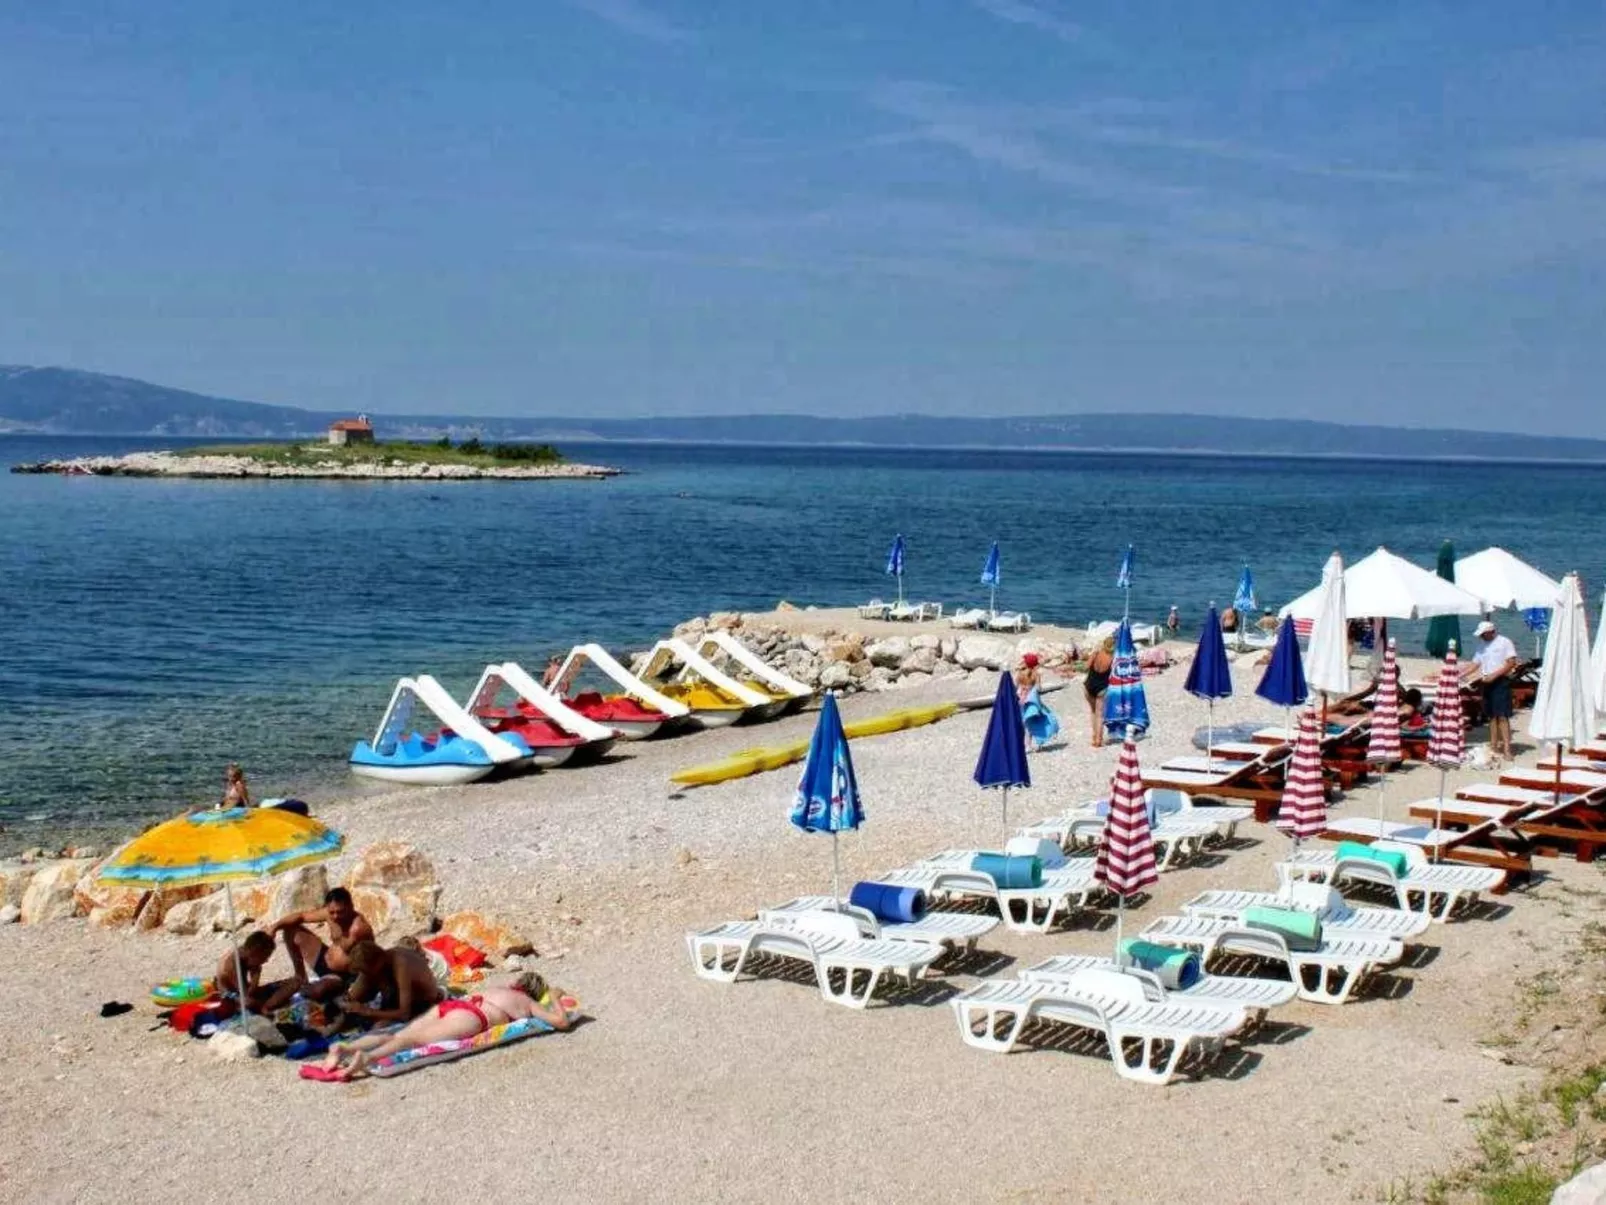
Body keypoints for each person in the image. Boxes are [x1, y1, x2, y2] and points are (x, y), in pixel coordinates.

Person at [319, 971, 573, 1080]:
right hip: (473, 1016)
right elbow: (561, 1021)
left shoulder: (498, 988)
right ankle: (365, 1057)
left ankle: (344, 1048)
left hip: (456, 1005)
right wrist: (554, 997)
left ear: (517, 981)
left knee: (403, 1034)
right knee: (411, 1041)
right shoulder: (527, 1002)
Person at [268, 887, 374, 1000]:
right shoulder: (329, 915)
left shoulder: (358, 929)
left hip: (343, 975)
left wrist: (356, 989)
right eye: (332, 912)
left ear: (350, 906)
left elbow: (371, 960)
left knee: (317, 992)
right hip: (324, 961)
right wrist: (274, 927)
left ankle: (321, 986)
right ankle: (300, 977)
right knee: (290, 930)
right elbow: (301, 916)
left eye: (340, 912)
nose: (335, 916)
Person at [336, 940, 443, 1027]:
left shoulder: (400, 964)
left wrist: (367, 1011)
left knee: (380, 1026)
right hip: (397, 1000)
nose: (366, 975)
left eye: (367, 972)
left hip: (423, 1001)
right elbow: (351, 996)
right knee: (347, 1009)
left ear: (378, 962)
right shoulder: (377, 966)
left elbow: (404, 1013)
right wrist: (347, 1003)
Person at [1467, 619, 1518, 760]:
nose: (1481, 636)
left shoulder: (1504, 642)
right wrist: (1459, 674)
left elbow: (1511, 663)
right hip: (1486, 682)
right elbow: (1474, 664)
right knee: (1491, 716)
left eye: (1483, 634)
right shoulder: (1482, 645)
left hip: (1501, 681)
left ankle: (1507, 749)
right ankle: (1494, 745)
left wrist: (1494, 675)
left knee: (1502, 716)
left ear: (1491, 631)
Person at [214, 930, 298, 1014]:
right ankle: (266, 1008)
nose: (266, 960)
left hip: (244, 990)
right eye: (265, 957)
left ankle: (267, 1006)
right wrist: (257, 974)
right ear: (255, 953)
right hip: (231, 997)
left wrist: (256, 971)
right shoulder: (233, 964)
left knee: (294, 982)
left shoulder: (246, 953)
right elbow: (246, 994)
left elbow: (251, 989)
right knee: (249, 1003)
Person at [1015, 653, 1059, 752]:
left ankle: (1027, 745)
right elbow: (1039, 689)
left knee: (1026, 723)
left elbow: (1015, 686)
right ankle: (1039, 743)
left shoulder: (1020, 674)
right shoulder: (1036, 674)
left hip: (1022, 701)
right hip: (1034, 703)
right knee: (1040, 720)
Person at [1084, 635, 1115, 749]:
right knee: (1100, 715)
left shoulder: (1096, 653)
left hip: (1089, 685)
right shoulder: (1112, 658)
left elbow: (1086, 667)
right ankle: (1098, 740)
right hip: (1102, 687)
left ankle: (1094, 736)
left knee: (1093, 711)